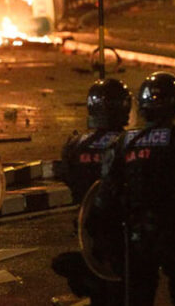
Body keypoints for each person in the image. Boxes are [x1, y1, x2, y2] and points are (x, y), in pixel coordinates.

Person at [91, 72, 175, 306]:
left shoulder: (123, 143)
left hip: (137, 240)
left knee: (138, 299)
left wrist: (102, 247)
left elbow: (104, 200)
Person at [53, 79, 132, 305]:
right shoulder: (130, 144)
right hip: (124, 232)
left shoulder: (75, 144)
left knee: (100, 294)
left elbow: (69, 178)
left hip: (87, 231)